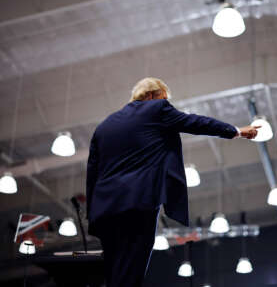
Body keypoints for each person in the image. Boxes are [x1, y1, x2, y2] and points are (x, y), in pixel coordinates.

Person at [86, 77, 260, 287]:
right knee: (133, 267)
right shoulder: (156, 109)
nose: (168, 104)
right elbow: (195, 122)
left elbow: (92, 172)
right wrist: (236, 131)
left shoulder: (104, 127)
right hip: (138, 202)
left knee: (113, 268)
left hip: (106, 209)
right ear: (151, 96)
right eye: (164, 98)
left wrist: (92, 213)